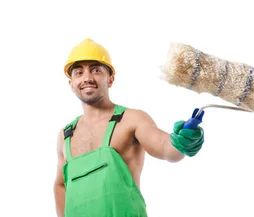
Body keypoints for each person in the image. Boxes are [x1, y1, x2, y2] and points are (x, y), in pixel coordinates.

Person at [53, 38, 205, 217]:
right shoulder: (66, 135)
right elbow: (60, 185)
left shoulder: (131, 120)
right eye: (78, 72)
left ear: (110, 79)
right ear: (71, 83)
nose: (87, 78)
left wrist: (181, 142)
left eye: (96, 70)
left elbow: (166, 149)